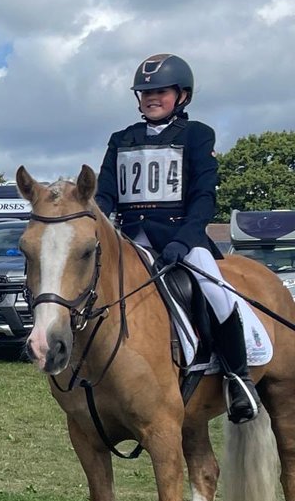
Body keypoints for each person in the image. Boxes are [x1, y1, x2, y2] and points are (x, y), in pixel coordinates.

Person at [94, 53, 259, 424]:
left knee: (216, 291)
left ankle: (237, 378)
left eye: (161, 91)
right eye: (144, 92)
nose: (151, 97)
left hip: (181, 238)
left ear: (182, 95)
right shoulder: (121, 139)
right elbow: (105, 193)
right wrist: (99, 223)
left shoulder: (197, 135)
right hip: (130, 239)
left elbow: (204, 197)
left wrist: (185, 241)